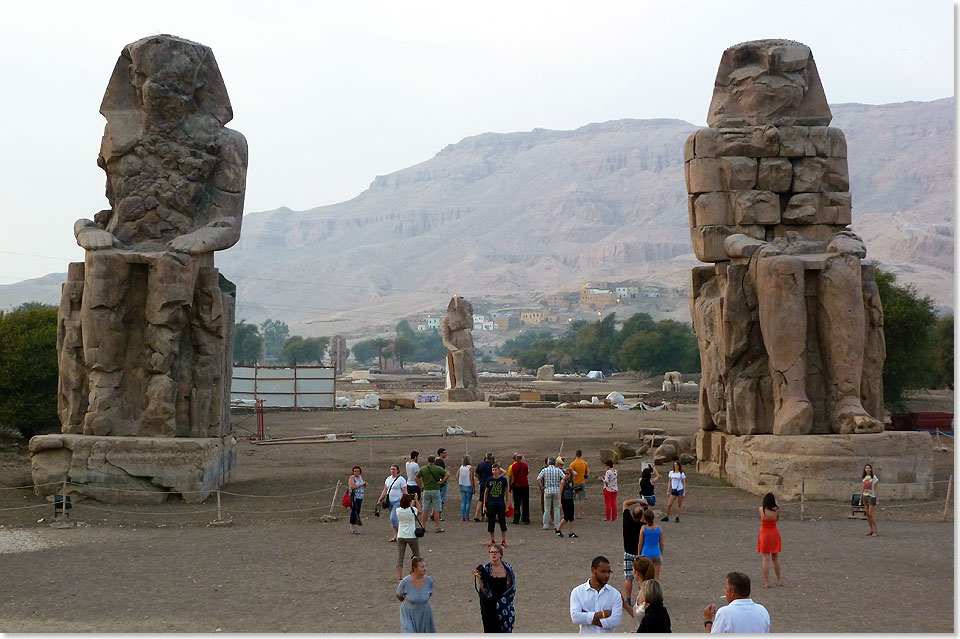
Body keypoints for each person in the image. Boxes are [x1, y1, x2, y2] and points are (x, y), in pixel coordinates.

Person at [569, 556, 623, 633]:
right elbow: (576, 618)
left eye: (608, 572)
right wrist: (603, 614)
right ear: (593, 570)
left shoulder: (615, 594)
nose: (607, 575)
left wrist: (587, 617)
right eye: (603, 572)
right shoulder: (577, 592)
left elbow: (616, 621)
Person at [703, 572, 770, 633]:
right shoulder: (762, 611)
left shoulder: (724, 613)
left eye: (726, 588)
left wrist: (708, 621)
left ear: (732, 592)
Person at [473, 543, 516, 633]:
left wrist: (503, 601)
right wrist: (480, 579)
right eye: (491, 552)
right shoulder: (486, 569)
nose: (493, 554)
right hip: (489, 607)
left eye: (496, 552)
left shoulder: (508, 568)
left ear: (500, 554)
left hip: (504, 606)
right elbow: (483, 591)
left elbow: (512, 588)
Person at [620, 498, 648, 608]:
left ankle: (628, 599)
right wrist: (644, 506)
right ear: (641, 516)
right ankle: (643, 598)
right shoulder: (643, 526)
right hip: (639, 554)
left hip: (628, 553)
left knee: (628, 578)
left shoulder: (627, 521)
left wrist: (638, 500)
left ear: (632, 514)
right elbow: (647, 517)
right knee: (641, 578)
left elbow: (625, 503)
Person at [397, 556, 436, 633]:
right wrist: (412, 602)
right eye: (422, 567)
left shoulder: (429, 581)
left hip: (424, 613)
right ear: (414, 568)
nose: (425, 569)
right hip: (409, 614)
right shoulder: (405, 582)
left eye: (425, 566)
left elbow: (429, 595)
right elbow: (399, 595)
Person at [395, 493, 424, 582]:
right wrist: (416, 500)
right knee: (417, 555)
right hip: (411, 535)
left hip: (401, 535)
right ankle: (416, 573)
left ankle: (400, 577)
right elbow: (420, 511)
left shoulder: (398, 510)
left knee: (400, 557)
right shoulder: (412, 510)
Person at [376, 464, 409, 542]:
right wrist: (380, 499)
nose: (392, 471)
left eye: (394, 469)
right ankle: (395, 535)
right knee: (393, 519)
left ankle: (399, 535)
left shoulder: (401, 479)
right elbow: (385, 490)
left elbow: (405, 491)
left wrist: (406, 501)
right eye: (391, 469)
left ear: (397, 470)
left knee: (393, 518)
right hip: (389, 501)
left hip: (398, 501)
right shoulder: (388, 479)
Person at [416, 455, 447, 533]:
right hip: (436, 490)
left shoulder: (423, 469)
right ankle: (437, 527)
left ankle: (423, 526)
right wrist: (442, 482)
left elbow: (416, 477)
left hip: (426, 490)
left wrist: (420, 486)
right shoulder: (438, 468)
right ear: (434, 461)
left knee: (425, 509)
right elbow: (447, 474)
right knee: (436, 509)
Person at [757, 492, 782, 587]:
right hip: (774, 533)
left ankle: (766, 582)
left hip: (764, 534)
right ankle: (778, 580)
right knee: (775, 558)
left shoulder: (761, 510)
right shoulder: (776, 511)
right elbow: (777, 519)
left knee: (765, 559)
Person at [483, 463, 511, 546]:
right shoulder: (489, 480)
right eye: (493, 470)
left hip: (500, 504)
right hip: (491, 504)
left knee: (502, 522)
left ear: (499, 470)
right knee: (491, 523)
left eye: (496, 469)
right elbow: (486, 493)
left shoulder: (503, 480)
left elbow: (507, 492)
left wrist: (507, 505)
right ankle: (492, 540)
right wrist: (484, 505)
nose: (494, 471)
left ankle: (503, 540)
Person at [538, 457, 565, 530]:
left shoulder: (544, 470)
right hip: (556, 490)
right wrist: (561, 485)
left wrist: (542, 487)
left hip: (547, 490)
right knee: (556, 508)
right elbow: (564, 478)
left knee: (547, 508)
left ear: (548, 463)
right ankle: (556, 525)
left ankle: (545, 525)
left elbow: (538, 479)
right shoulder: (558, 470)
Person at [625, 556, 656, 620]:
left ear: (637, 573)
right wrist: (624, 604)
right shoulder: (643, 590)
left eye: (633, 569)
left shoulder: (647, 594)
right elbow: (636, 615)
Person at [638, 508, 663, 580]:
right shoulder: (659, 528)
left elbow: (640, 543)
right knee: (656, 578)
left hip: (646, 554)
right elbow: (661, 543)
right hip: (656, 553)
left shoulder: (643, 528)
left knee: (645, 577)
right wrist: (661, 554)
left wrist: (639, 555)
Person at [556, 466, 579, 538]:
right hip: (565, 500)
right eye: (565, 473)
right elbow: (560, 492)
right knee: (566, 517)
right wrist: (560, 502)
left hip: (570, 500)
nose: (566, 475)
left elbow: (576, 473)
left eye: (568, 474)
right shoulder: (563, 481)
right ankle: (558, 529)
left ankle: (571, 532)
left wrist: (576, 491)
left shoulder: (571, 481)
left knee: (571, 517)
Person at [509, 453, 530, 524]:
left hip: (517, 486)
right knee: (525, 502)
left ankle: (516, 517)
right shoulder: (525, 465)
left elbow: (512, 476)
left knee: (517, 503)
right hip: (525, 486)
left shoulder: (513, 466)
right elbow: (527, 473)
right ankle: (526, 518)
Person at [474, 452, 495, 521]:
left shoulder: (480, 464)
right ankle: (487, 516)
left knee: (481, 500)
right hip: (490, 484)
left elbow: (476, 474)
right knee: (489, 500)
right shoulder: (492, 465)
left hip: (482, 483)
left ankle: (476, 515)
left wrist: (479, 478)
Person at [860, 463, 879, 536]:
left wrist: (877, 499)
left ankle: (875, 530)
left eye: (869, 468)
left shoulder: (874, 477)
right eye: (866, 468)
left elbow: (876, 488)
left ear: (871, 469)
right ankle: (871, 529)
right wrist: (861, 497)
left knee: (871, 514)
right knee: (867, 514)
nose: (867, 469)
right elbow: (863, 488)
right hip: (865, 496)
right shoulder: (864, 478)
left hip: (872, 496)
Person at [570, 450, 589, 518]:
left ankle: (571, 513)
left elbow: (571, 473)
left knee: (573, 499)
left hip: (575, 483)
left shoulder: (573, 464)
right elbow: (587, 473)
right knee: (581, 499)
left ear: (575, 454)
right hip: (582, 482)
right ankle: (580, 514)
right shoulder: (584, 463)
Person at [347, 465, 367, 534]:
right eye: (355, 471)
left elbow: (361, 485)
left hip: (360, 496)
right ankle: (351, 528)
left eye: (358, 471)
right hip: (354, 497)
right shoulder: (352, 478)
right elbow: (352, 486)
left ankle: (354, 527)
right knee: (354, 512)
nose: (356, 472)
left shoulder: (360, 477)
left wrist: (364, 485)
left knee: (357, 512)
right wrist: (361, 485)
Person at [458, 455, 476, 521]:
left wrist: (459, 483)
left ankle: (463, 516)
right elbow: (471, 478)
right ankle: (467, 516)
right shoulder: (470, 468)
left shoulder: (461, 467)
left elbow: (457, 476)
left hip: (462, 485)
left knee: (463, 502)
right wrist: (473, 487)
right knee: (468, 502)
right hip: (468, 485)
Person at [435, 448, 449, 521]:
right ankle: (438, 515)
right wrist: (443, 481)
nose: (446, 454)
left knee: (436, 499)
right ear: (440, 453)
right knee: (441, 499)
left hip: (436, 482)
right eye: (444, 453)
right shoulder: (441, 462)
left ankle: (433, 514)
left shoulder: (436, 461)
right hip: (441, 482)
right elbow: (442, 473)